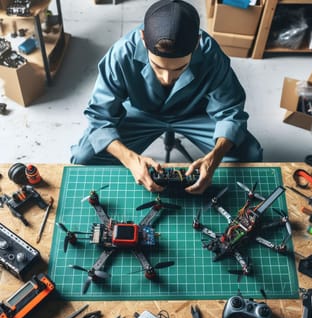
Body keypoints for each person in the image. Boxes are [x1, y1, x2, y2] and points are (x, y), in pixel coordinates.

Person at [71, 0, 263, 194]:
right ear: (144, 39)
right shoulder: (121, 53)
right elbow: (99, 117)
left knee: (251, 154)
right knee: (83, 156)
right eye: (158, 67)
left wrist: (214, 158)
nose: (167, 78)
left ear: (196, 43)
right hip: (141, 113)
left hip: (194, 113)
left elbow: (230, 111)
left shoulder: (210, 53)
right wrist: (130, 160)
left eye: (180, 68)